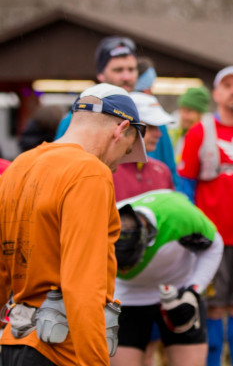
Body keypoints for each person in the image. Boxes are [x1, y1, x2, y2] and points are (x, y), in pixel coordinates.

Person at [0, 83, 147, 365]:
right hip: (61, 351)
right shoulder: (89, 173)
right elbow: (83, 285)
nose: (117, 166)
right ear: (120, 129)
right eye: (127, 151)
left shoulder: (18, 166)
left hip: (14, 342)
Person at [177, 65, 233, 366]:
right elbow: (185, 185)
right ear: (216, 93)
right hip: (212, 239)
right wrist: (195, 230)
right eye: (226, 85)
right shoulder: (200, 131)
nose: (232, 90)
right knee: (214, 308)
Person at [111, 189, 224, 366]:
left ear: (148, 237)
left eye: (130, 264)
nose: (124, 271)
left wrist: (194, 290)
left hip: (177, 288)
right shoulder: (99, 222)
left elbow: (214, 245)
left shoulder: (180, 216)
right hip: (125, 296)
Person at [55, 37, 180, 191]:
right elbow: (61, 171)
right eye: (118, 70)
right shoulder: (78, 117)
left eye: (131, 69)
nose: (126, 77)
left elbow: (171, 174)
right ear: (101, 75)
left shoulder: (153, 118)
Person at [114, 92, 175, 201]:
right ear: (127, 126)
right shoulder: (108, 171)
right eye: (150, 127)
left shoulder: (162, 171)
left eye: (158, 127)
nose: (159, 134)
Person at [169, 86, 212, 165]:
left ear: (201, 114)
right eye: (181, 110)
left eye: (188, 111)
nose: (183, 116)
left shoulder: (209, 137)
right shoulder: (174, 130)